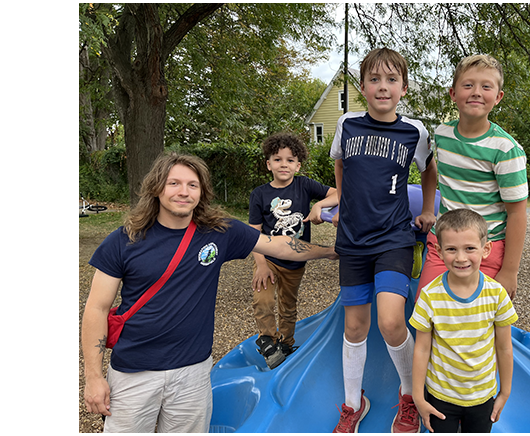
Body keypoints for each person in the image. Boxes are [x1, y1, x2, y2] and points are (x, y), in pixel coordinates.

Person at [81, 152, 337, 433]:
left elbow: (280, 245)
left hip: (193, 374)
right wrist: (93, 376)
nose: (184, 192)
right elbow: (96, 309)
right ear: (156, 188)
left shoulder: (218, 233)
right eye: (174, 183)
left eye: (193, 185)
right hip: (134, 374)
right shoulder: (124, 240)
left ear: (201, 192)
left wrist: (332, 252)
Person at [329, 47, 438, 433]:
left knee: (392, 322)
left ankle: (410, 396)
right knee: (354, 328)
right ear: (362, 86)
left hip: (394, 237)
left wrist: (427, 209)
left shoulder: (415, 131)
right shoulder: (346, 124)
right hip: (353, 241)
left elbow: (429, 171)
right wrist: (342, 199)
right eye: (374, 79)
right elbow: (341, 162)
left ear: (404, 88)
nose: (383, 86)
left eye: (392, 79)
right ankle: (352, 404)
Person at [417, 54, 528, 301]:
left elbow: (517, 213)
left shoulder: (505, 149)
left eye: (486, 86)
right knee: (428, 309)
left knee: (479, 318)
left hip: (486, 247)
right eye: (468, 85)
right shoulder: (442, 135)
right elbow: (431, 171)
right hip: (442, 242)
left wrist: (510, 270)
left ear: (498, 97)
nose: (476, 92)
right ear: (453, 93)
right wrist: (428, 210)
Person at [410, 208, 518, 433]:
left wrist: (505, 392)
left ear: (485, 249)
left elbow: (504, 346)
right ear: (439, 251)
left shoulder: (496, 294)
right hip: (441, 397)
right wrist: (418, 397)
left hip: (482, 397)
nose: (460, 258)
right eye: (451, 249)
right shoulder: (429, 296)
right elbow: (421, 349)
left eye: (469, 248)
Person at [248, 132, 338, 369]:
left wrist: (319, 204)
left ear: (298, 165)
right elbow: (253, 233)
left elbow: (340, 193)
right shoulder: (259, 194)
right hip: (269, 259)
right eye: (277, 159)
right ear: (268, 164)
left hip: (296, 261)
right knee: (263, 298)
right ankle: (268, 340)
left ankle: (285, 344)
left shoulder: (305, 185)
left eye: (290, 160)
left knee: (288, 305)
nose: (284, 164)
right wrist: (261, 265)